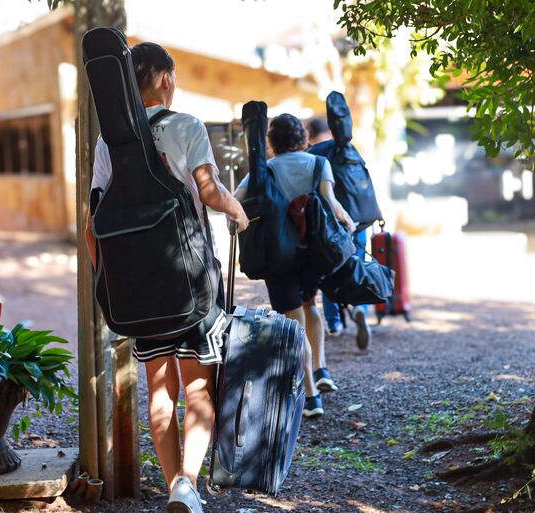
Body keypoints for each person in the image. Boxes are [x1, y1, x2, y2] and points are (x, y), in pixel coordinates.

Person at [85, 42, 249, 513]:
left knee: (159, 389)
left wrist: (106, 279)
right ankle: (186, 485)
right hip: (191, 282)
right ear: (163, 79)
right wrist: (238, 212)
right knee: (198, 385)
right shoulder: (186, 126)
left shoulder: (108, 142)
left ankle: (173, 482)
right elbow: (209, 192)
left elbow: (93, 219)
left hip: (137, 289)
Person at [235, 114, 355, 418]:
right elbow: (332, 203)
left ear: (272, 143)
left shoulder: (266, 169)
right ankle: (321, 368)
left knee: (293, 322)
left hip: (278, 256)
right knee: (310, 306)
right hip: (312, 253)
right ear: (302, 138)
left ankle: (312, 396)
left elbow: (237, 199)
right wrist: (348, 223)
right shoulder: (318, 164)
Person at [307, 117, 372, 350]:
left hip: (329, 227)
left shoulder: (313, 154)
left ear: (308, 133)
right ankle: (360, 310)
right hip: (358, 222)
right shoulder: (348, 150)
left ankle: (335, 323)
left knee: (328, 273)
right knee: (356, 268)